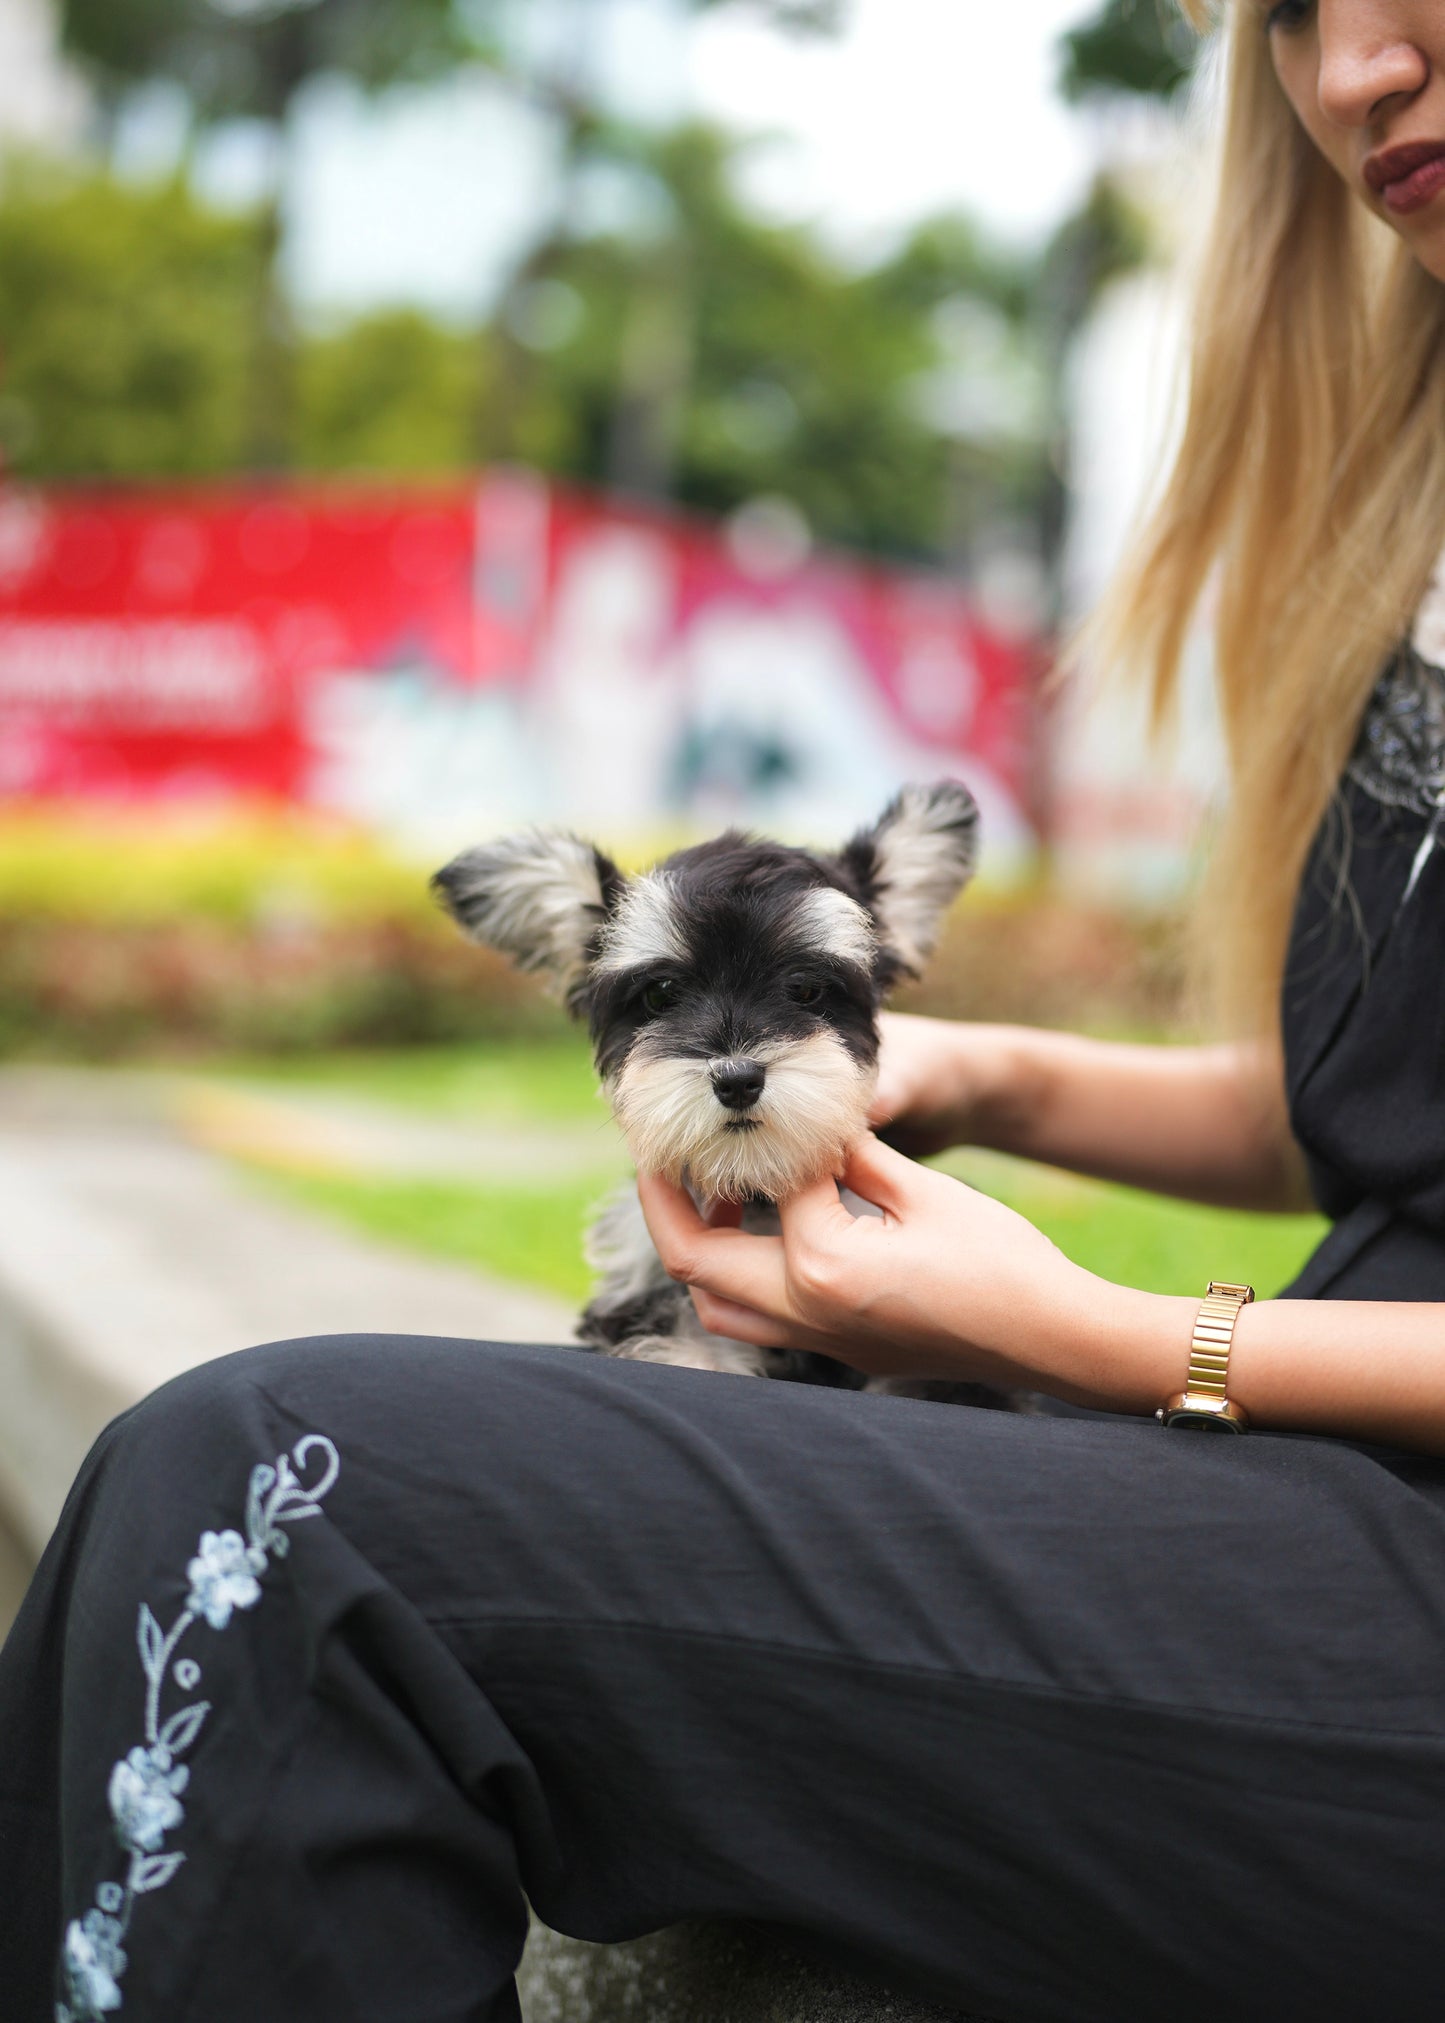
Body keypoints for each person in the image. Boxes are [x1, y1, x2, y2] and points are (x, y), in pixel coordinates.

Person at [6, 2, 1445, 2017]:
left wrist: (1117, 1340)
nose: (1356, 66)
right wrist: (972, 1069)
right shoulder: (1406, 512)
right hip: (1302, 1509)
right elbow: (1383, 1109)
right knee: (219, 1479)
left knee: (273, 1494)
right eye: (1290, 7)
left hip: (1375, 1582)